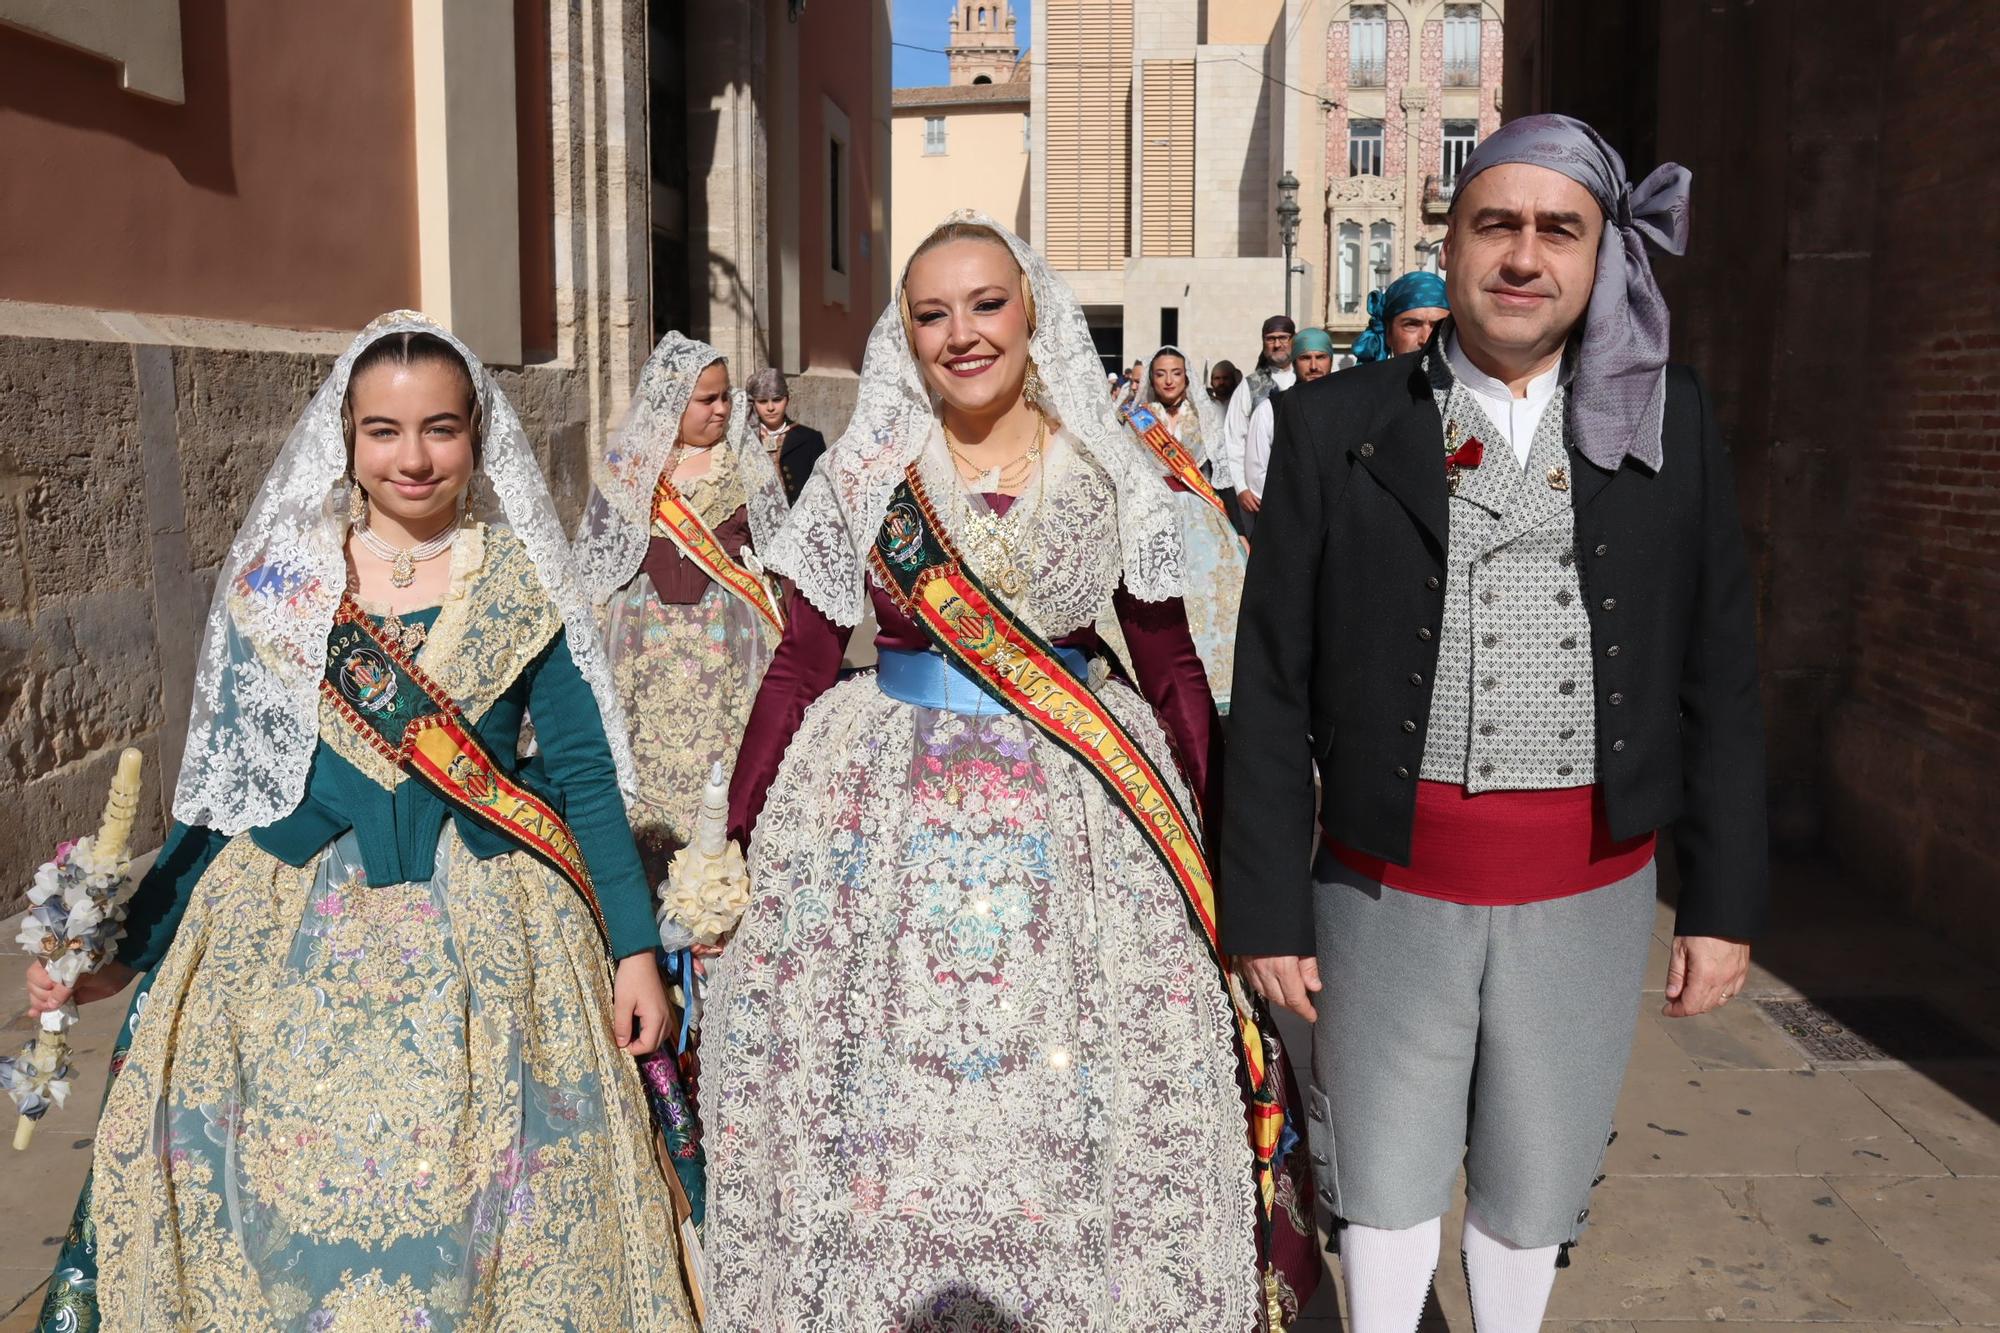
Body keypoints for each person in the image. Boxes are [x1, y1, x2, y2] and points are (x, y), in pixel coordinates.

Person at [699, 212, 1317, 1327]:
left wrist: (1237, 851)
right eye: (930, 314)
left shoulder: (1105, 466)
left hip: (1081, 823)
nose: (961, 333)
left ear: (1032, 311)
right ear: (906, 334)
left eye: (985, 304)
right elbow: (798, 661)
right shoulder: (865, 471)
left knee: (1072, 1092)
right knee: (885, 1103)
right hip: (879, 822)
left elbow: (1170, 665)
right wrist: (729, 835)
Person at [24, 313, 695, 1329]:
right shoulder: (282, 587)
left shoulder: (520, 584)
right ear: (346, 438)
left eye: (439, 428)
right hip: (288, 932)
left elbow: (584, 779)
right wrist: (120, 952)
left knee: (496, 1203)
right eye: (383, 430)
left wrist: (632, 950)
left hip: (493, 934)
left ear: (478, 434)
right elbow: (224, 800)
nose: (413, 457)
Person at [1224, 114, 1768, 1333]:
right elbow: (1267, 685)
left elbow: (1717, 673)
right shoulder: (1334, 426)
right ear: (1453, 241)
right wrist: (1262, 909)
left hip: (1587, 887)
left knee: (1534, 1176)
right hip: (1380, 889)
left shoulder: (1668, 421)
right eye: (1496, 226)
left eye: (1556, 231)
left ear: (1597, 258)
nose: (1523, 257)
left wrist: (1723, 905)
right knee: (1380, 1173)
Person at [572, 333, 789, 877]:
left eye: (725, 397)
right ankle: (646, 871)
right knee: (641, 756)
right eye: (707, 399)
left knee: (725, 755)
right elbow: (600, 555)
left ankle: (718, 874)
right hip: (644, 639)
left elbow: (778, 544)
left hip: (726, 636)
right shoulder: (631, 465)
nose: (721, 409)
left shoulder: (744, 460)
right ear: (671, 401)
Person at [1142, 344, 1248, 709]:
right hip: (1153, 514)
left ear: (1186, 377)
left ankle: (1216, 681)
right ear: (1151, 379)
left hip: (1200, 513)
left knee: (1216, 598)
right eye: (1161, 373)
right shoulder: (1137, 419)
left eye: (1175, 372)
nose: (1168, 380)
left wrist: (1241, 529)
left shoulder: (1206, 416)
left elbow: (1223, 475)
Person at [1241, 327, 1335, 520]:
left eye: (1321, 357)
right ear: (1294, 362)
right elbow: (1257, 472)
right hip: (1289, 516)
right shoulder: (1270, 410)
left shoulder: (1347, 407)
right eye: (1305, 358)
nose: (1314, 366)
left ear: (1331, 361)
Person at [1221, 316, 1296, 534]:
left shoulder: (1307, 379)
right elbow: (1233, 439)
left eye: (1283, 337)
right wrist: (1241, 488)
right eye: (1270, 339)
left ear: (1293, 339)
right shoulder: (1250, 385)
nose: (1277, 344)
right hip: (1259, 493)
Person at [746, 365, 828, 503]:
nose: (770, 408)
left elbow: (821, 487)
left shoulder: (810, 439)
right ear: (753, 404)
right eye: (762, 401)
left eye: (777, 400)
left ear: (787, 400)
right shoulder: (747, 440)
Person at [1352, 270, 1452, 362]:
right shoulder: (1357, 381)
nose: (1425, 339)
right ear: (1388, 333)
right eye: (1412, 325)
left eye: (1439, 326)